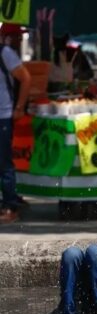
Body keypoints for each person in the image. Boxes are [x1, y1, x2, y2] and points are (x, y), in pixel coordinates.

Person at [0, 23, 31, 224]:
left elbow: (25, 78)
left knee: (4, 163)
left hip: (3, 115)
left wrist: (19, 107)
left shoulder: (5, 52)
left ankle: (10, 206)